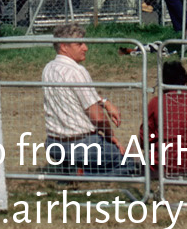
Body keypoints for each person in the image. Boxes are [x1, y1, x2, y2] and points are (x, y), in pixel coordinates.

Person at [41, 23, 132, 175]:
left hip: (54, 144)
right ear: (64, 46)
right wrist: (111, 136)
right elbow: (97, 117)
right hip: (83, 144)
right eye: (79, 44)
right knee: (129, 162)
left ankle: (74, 168)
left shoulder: (48, 68)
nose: (85, 48)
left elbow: (79, 95)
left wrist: (105, 102)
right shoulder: (77, 71)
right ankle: (83, 174)